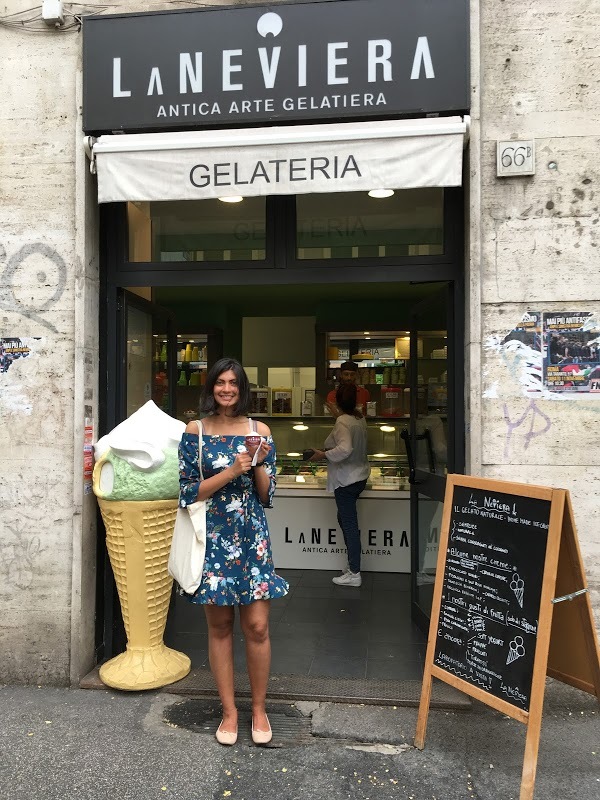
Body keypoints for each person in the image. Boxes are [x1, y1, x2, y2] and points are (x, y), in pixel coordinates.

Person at [178, 357, 288, 746]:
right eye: (220, 383)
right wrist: (231, 470)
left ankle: (259, 709)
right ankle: (229, 711)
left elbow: (267, 494)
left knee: (257, 626)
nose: (227, 389)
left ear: (243, 389)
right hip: (213, 537)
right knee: (220, 627)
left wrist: (257, 463)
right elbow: (187, 492)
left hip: (251, 537)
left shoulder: (260, 430)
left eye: (234, 383)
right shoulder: (197, 431)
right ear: (211, 388)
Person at [310, 383, 370, 587]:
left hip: (347, 479)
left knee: (349, 525)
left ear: (336, 401)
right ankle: (352, 565)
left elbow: (345, 448)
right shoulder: (358, 418)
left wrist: (323, 455)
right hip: (360, 476)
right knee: (344, 520)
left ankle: (354, 572)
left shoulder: (343, 422)